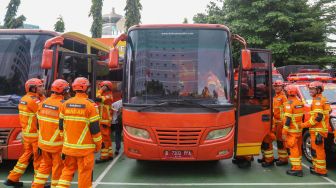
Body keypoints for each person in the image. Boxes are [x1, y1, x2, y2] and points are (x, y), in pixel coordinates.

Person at [56, 77, 102, 188]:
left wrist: (65, 142)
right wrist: (98, 146)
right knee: (84, 175)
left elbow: (61, 126)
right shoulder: (90, 105)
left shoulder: (65, 104)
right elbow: (95, 129)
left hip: (68, 148)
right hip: (85, 150)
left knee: (67, 172)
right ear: (87, 89)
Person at [4, 78, 44, 187]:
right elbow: (44, 112)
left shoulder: (24, 99)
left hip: (26, 135)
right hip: (35, 135)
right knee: (38, 159)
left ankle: (12, 178)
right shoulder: (34, 101)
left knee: (25, 157)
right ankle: (37, 183)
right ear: (33, 88)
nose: (42, 88)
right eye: (40, 86)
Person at [32, 79, 70, 187]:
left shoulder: (43, 103)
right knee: (57, 169)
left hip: (43, 143)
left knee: (44, 166)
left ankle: (36, 186)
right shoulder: (63, 105)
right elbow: (65, 126)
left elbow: (38, 123)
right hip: (57, 145)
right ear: (64, 91)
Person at [301, 81, 331, 177]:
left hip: (318, 130)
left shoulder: (318, 100)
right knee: (315, 150)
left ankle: (321, 170)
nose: (310, 91)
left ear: (318, 90)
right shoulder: (320, 99)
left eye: (312, 89)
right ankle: (317, 167)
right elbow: (328, 110)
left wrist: (304, 125)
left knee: (319, 151)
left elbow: (318, 117)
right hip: (318, 130)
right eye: (310, 89)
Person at [259, 80, 288, 167]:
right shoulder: (275, 97)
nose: (276, 88)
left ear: (282, 87)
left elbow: (287, 111)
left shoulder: (284, 97)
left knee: (280, 142)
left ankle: (283, 159)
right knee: (269, 140)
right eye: (275, 86)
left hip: (281, 123)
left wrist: (284, 123)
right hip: (274, 122)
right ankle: (271, 158)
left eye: (278, 86)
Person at [282, 85, 304, 177]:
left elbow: (288, 119)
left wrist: (284, 132)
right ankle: (298, 165)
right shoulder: (299, 102)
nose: (284, 93)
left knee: (293, 148)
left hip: (291, 130)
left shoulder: (289, 103)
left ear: (289, 92)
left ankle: (297, 169)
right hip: (298, 129)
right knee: (298, 148)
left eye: (285, 91)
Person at [95, 81, 114, 163]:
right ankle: (109, 154)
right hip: (105, 121)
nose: (101, 88)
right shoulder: (107, 96)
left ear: (106, 87)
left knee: (104, 140)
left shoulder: (108, 96)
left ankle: (104, 157)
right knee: (108, 139)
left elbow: (97, 97)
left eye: (102, 87)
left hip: (104, 122)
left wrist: (100, 90)